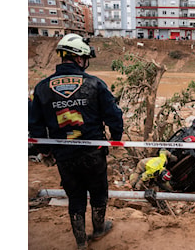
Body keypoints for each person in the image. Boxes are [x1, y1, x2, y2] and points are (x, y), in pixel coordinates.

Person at [29, 33, 124, 249]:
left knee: (76, 197)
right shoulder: (95, 84)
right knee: (99, 193)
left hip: (64, 155)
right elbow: (114, 115)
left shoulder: (42, 88)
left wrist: (45, 150)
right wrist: (115, 139)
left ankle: (81, 242)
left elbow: (35, 125)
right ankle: (99, 229)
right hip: (93, 153)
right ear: (79, 58)